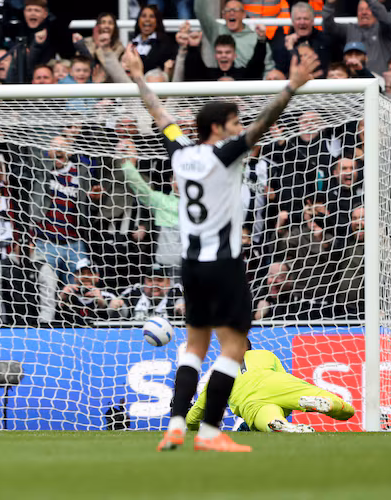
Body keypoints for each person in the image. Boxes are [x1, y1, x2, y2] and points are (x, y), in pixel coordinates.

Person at [125, 41, 320, 452]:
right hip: (225, 264)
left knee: (194, 348)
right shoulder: (226, 155)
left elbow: (159, 113)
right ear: (219, 126)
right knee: (233, 347)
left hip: (191, 264)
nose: (238, 127)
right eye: (233, 122)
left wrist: (139, 77)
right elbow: (264, 123)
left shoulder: (180, 153)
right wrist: (293, 87)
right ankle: (211, 431)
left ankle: (177, 423)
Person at [186, 348, 355, 433]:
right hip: (277, 383)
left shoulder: (219, 374)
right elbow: (282, 377)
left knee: (268, 421)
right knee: (347, 410)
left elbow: (196, 414)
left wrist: (192, 428)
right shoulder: (264, 354)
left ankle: (281, 425)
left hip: (250, 403)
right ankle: (325, 404)